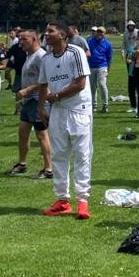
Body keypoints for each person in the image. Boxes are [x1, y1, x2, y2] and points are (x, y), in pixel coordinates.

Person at [37, 23, 94, 220]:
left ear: (62, 35)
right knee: (59, 155)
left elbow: (80, 83)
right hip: (58, 111)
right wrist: (42, 107)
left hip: (78, 109)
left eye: (51, 31)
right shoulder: (46, 58)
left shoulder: (75, 52)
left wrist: (57, 96)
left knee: (81, 154)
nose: (46, 34)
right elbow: (44, 84)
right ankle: (62, 200)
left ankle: (82, 201)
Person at [8, 29, 53, 178]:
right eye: (20, 39)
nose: (21, 42)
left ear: (34, 39)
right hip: (28, 101)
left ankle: (48, 169)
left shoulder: (41, 56)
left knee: (41, 134)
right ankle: (22, 163)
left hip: (38, 99)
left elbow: (46, 81)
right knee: (23, 132)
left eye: (24, 39)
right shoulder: (29, 56)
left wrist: (27, 90)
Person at [87, 26, 113, 113]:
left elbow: (109, 58)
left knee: (102, 85)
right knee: (92, 87)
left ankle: (105, 105)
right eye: (98, 32)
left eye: (101, 32)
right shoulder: (90, 42)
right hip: (91, 67)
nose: (99, 34)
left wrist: (108, 69)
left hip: (102, 66)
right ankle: (94, 105)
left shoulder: (107, 44)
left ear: (104, 34)